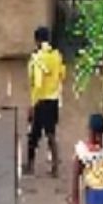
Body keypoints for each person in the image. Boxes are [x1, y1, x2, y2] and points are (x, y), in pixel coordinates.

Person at [26, 26, 65, 176]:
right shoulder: (57, 56)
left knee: (34, 135)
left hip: (41, 100)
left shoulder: (37, 58)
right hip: (54, 99)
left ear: (37, 40)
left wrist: (32, 104)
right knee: (51, 134)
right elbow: (62, 74)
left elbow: (38, 83)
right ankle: (55, 167)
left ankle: (30, 166)